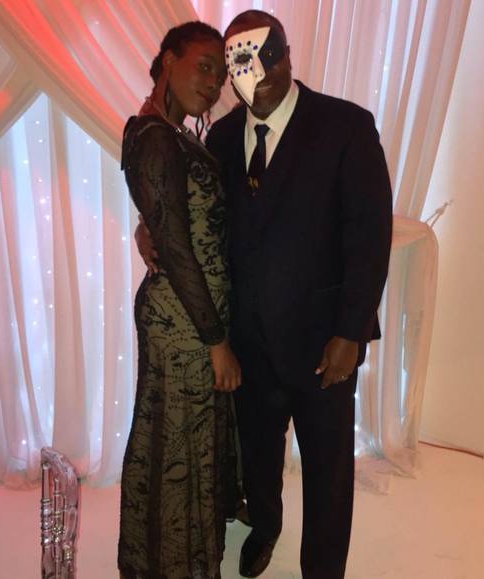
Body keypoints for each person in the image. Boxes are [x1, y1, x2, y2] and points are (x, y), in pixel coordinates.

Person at [137, 10, 393, 579]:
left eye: (270, 55)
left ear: (287, 53)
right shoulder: (224, 137)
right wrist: (148, 225)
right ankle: (266, 526)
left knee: (328, 472)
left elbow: (370, 237)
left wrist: (350, 332)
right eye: (244, 63)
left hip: (324, 344)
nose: (262, 72)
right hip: (248, 345)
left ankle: (322, 568)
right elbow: (193, 210)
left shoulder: (346, 127)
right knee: (258, 458)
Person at [118, 21, 242, 579]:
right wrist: (217, 342)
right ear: (169, 59)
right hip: (183, 322)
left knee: (182, 445)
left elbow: (171, 219)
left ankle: (178, 559)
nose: (214, 83)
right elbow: (175, 247)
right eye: (204, 66)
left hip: (190, 313)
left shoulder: (169, 132)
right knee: (178, 450)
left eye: (221, 75)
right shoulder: (154, 136)